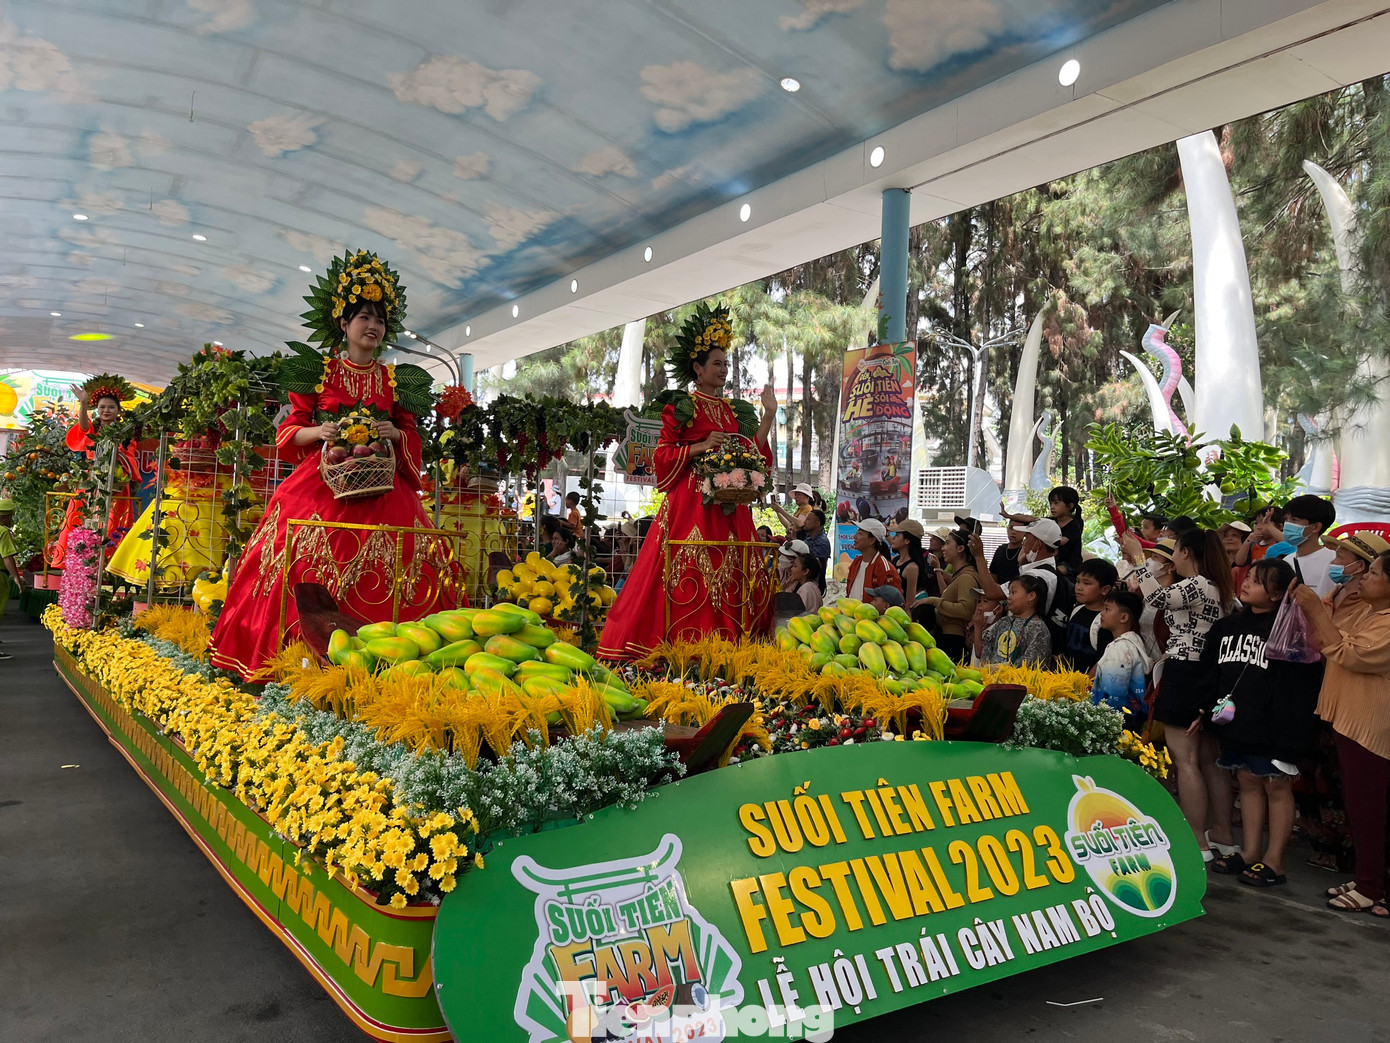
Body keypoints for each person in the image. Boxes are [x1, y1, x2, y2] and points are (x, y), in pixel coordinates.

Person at [210, 251, 440, 679]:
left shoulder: (398, 380)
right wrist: (321, 433)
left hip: (384, 488)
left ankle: (391, 663)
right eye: (364, 317)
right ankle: (298, 658)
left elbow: (411, 438)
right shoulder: (316, 371)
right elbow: (289, 432)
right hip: (323, 482)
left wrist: (395, 436)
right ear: (343, 323)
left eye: (380, 320)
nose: (373, 327)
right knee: (295, 559)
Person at [598, 303, 777, 660]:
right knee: (688, 567)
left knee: (732, 569)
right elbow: (661, 457)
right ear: (697, 368)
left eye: (726, 364)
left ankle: (728, 647)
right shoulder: (682, 407)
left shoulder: (730, 410)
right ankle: (683, 646)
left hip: (728, 505)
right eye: (716, 364)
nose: (724, 370)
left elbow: (752, 453)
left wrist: (769, 416)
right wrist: (700, 447)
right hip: (691, 505)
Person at [1206, 559, 1324, 887]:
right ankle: (1250, 852)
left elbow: (1302, 688)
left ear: (1275, 594)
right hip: (1239, 723)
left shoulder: (1292, 629)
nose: (1246, 583)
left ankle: (1275, 861)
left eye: (1257, 581)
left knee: (1277, 786)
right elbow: (1214, 672)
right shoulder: (1229, 625)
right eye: (1248, 577)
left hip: (1277, 727)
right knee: (1246, 781)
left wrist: (1292, 733)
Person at [1123, 526, 1235, 860]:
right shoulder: (1219, 587)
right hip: (1205, 673)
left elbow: (1155, 598)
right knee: (1208, 760)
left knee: (1185, 760)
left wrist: (1139, 558)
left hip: (1185, 671)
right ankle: (1223, 835)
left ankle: (1197, 841)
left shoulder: (1198, 584)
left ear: (1185, 553)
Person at [1289, 550, 1390, 917]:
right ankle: (1370, 877)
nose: (1365, 577)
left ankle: (1371, 887)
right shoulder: (1369, 611)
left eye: (1374, 573)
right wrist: (1323, 606)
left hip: (1371, 726)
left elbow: (1348, 654)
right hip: (1350, 719)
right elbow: (1327, 641)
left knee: (1369, 808)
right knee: (1359, 804)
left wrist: (1317, 609)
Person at [50, 374, 140, 568]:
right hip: (90, 483)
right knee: (83, 518)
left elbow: (129, 457)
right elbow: (83, 429)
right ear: (97, 410)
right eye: (102, 407)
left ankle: (111, 563)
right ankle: (81, 560)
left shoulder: (126, 434)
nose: (106, 411)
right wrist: (83, 404)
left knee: (113, 523)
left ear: (119, 410)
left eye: (110, 407)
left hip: (116, 487)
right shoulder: (93, 430)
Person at [1091, 590, 1151, 724]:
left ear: (1123, 617)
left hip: (1115, 720)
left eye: (1107, 609)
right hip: (1133, 716)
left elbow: (1114, 693)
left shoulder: (1120, 648)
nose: (1102, 613)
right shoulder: (1134, 640)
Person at [920, 530, 980, 663]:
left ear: (960, 548)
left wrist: (934, 601)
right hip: (947, 637)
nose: (943, 548)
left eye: (947, 543)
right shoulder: (959, 575)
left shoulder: (966, 577)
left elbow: (966, 609)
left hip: (954, 641)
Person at [1060, 558, 1118, 672]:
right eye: (1077, 581)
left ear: (1105, 589)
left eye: (1087, 583)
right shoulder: (1077, 610)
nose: (1079, 587)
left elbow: (1102, 662)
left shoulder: (1105, 620)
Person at [981, 574, 1051, 666]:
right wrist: (986, 664)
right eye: (1009, 593)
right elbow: (988, 644)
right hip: (992, 678)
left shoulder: (1038, 628)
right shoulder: (1003, 622)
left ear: (1031, 596)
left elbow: (1033, 661)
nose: (1009, 597)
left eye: (1013, 592)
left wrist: (1001, 668)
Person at [1277, 494, 1338, 595]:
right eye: (1286, 519)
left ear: (1315, 527)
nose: (1287, 524)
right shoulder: (1286, 561)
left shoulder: (1334, 561)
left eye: (1294, 520)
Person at [844, 519, 901, 603]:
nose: (855, 537)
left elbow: (893, 602)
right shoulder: (856, 562)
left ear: (872, 540)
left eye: (860, 534)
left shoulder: (884, 569)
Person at [0, 498, 23, 656]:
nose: (11, 519)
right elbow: (7, 557)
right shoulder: (3, 532)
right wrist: (16, 577)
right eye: (10, 516)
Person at [888, 519, 928, 609]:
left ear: (907, 540)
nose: (893, 538)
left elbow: (909, 603)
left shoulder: (912, 567)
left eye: (897, 535)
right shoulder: (895, 560)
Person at [781, 546, 824, 613]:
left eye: (795, 566)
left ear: (805, 571)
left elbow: (796, 613)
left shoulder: (805, 589)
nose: (791, 569)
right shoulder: (812, 586)